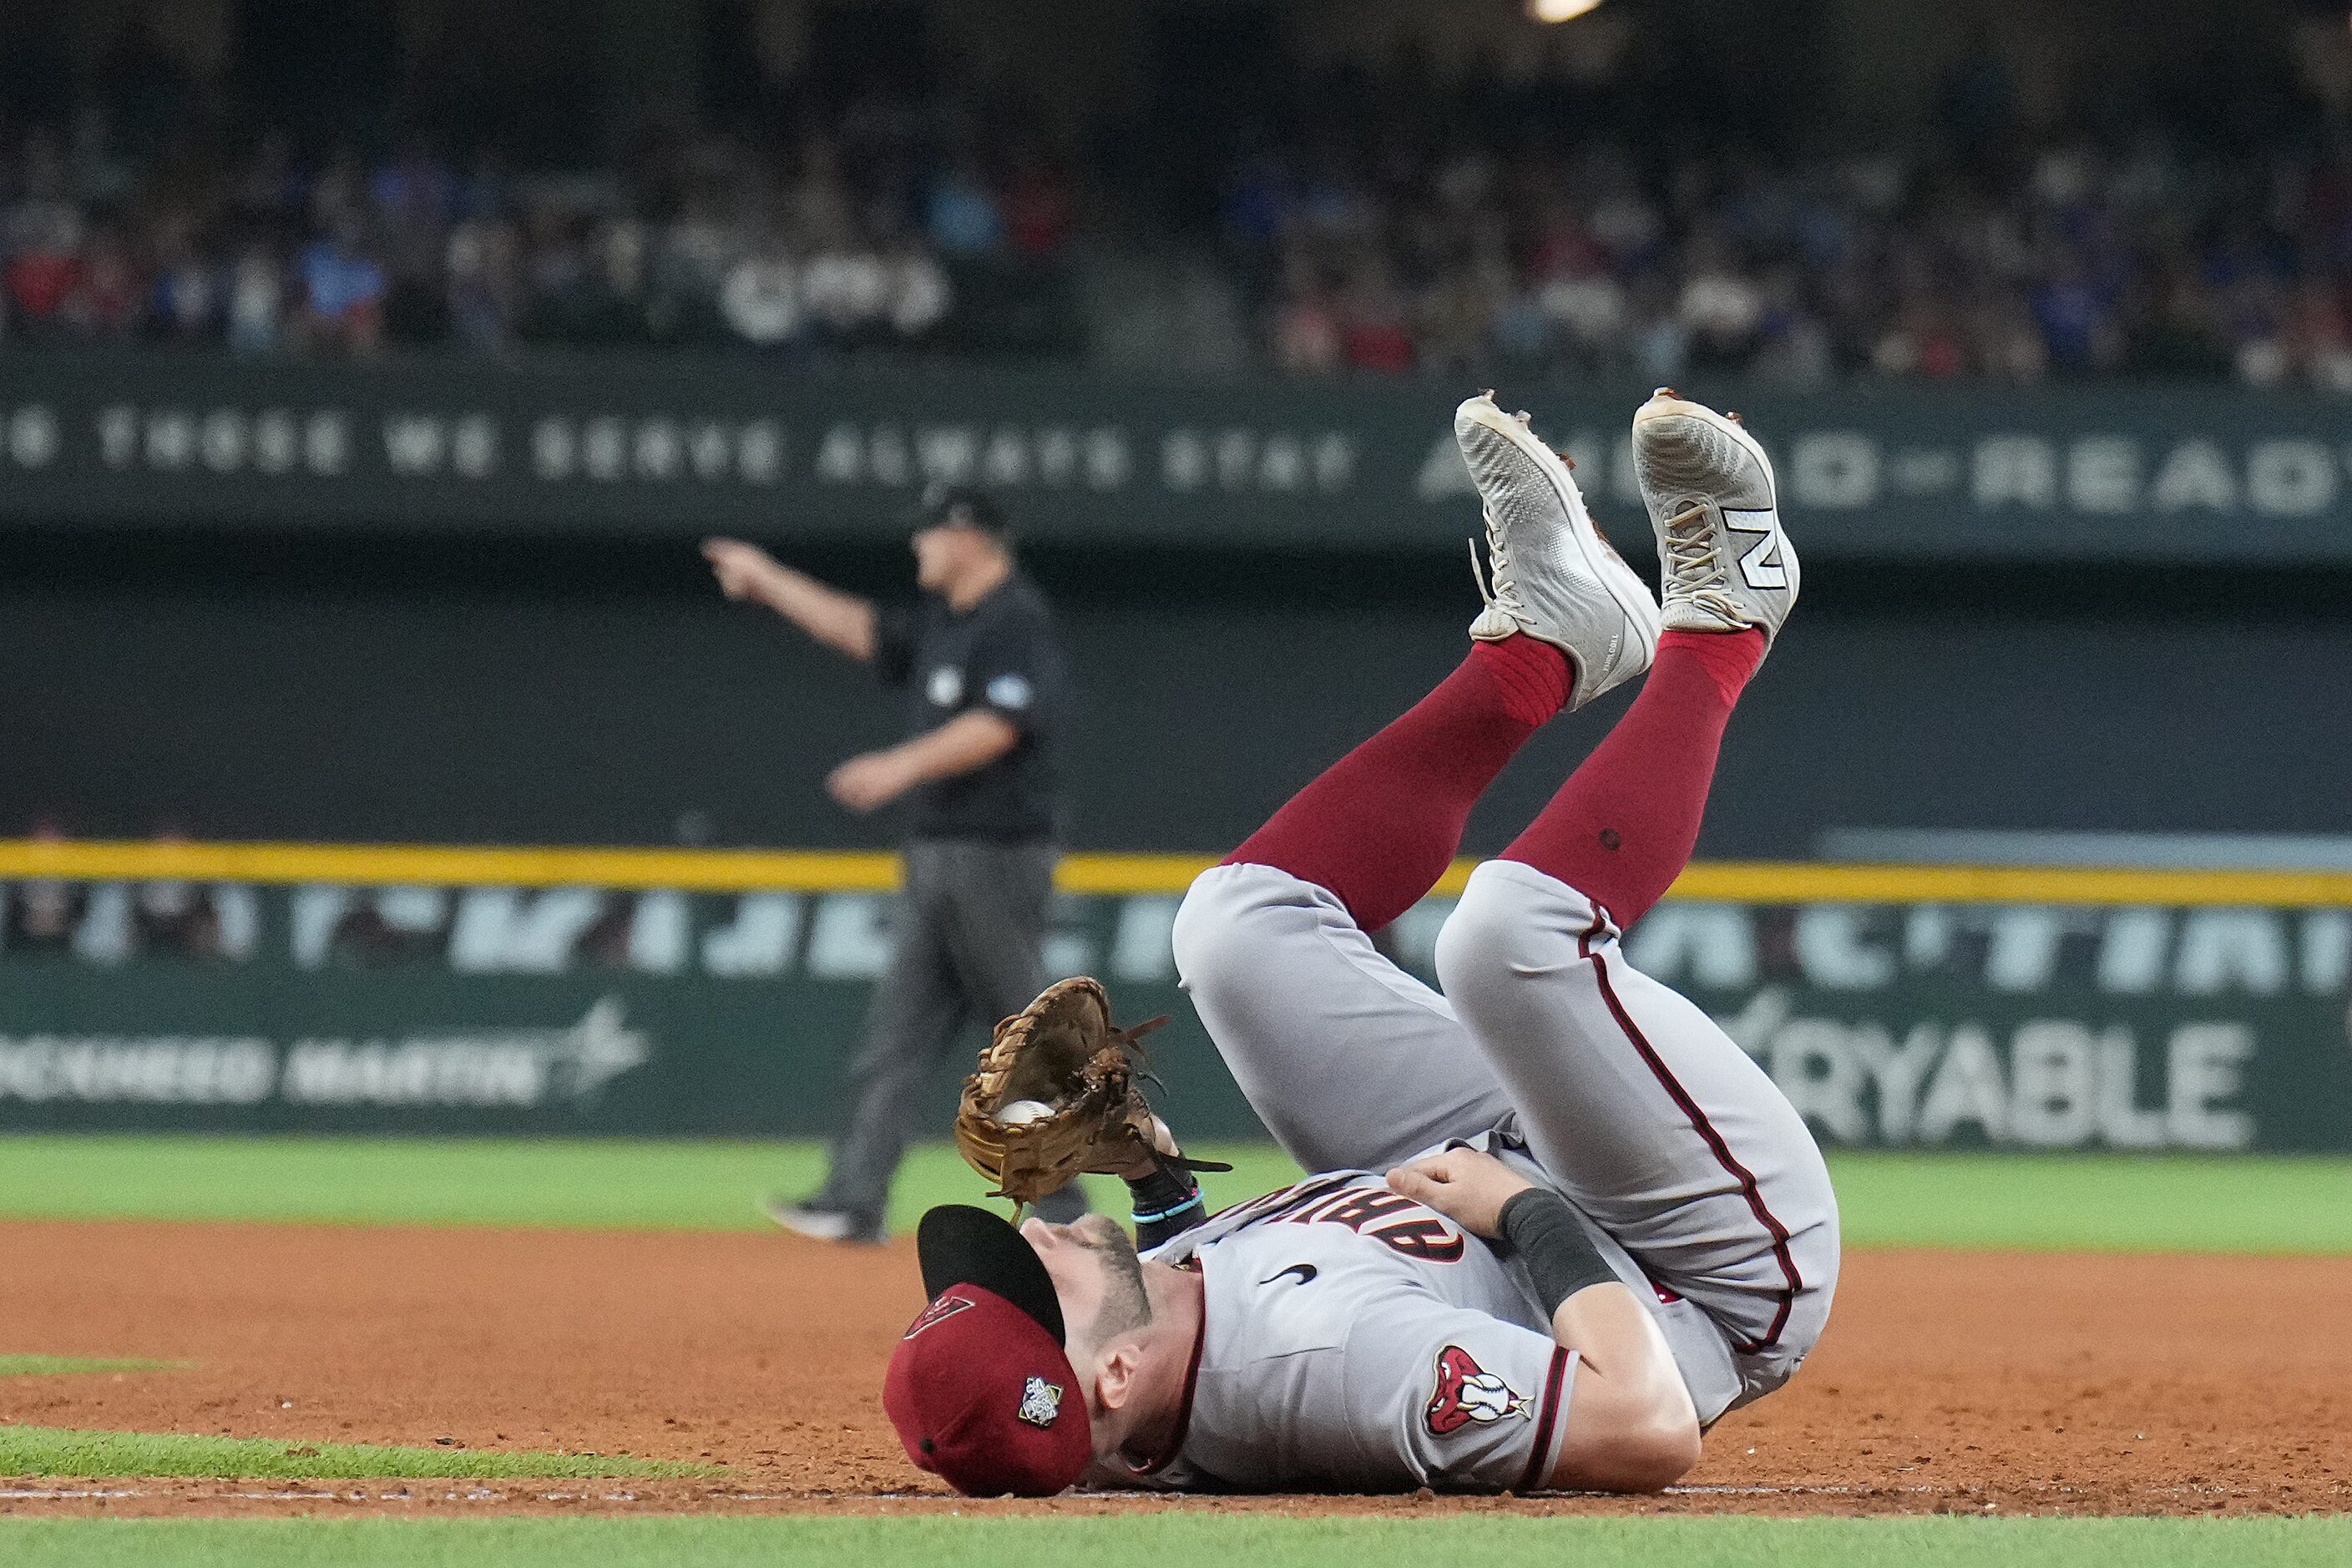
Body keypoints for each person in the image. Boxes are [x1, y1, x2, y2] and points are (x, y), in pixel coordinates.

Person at [879, 390, 1838, 1494]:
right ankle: (1725, 620)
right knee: (1505, 938)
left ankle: (1547, 647)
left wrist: (1152, 1177)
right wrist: (1522, 1212)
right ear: (1110, 1373)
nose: (1037, 1236)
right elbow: (1645, 1424)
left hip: (1475, 1172)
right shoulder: (1337, 1371)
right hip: (1689, 1262)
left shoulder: (1136, 1377)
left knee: (1231, 930)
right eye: (1038, 1286)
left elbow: (1150, 1387)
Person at [704, 486, 1085, 1242]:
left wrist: (900, 766)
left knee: (1025, 1032)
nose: (917, 546)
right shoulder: (952, 624)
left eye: (928, 533)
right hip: (937, 853)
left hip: (993, 854)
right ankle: (855, 1200)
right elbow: (862, 631)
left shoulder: (1015, 620)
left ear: (969, 537)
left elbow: (1001, 724)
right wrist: (769, 580)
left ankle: (1068, 1207)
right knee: (896, 1039)